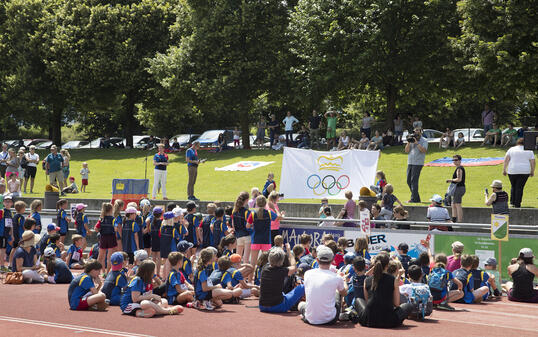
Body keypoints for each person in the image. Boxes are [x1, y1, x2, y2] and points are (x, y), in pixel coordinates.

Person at [355, 252, 413, 328]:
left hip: (368, 320)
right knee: (408, 305)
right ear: (387, 266)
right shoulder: (393, 280)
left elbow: (367, 300)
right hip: (389, 321)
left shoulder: (367, 280)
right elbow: (396, 304)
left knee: (358, 300)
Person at [298, 246, 347, 325]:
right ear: (332, 261)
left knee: (300, 305)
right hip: (330, 319)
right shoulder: (337, 278)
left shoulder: (307, 274)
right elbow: (344, 293)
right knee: (338, 291)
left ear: (317, 260)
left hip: (310, 318)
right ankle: (340, 312)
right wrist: (344, 280)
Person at [259, 246, 303, 313]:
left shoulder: (264, 268)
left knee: (281, 293)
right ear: (282, 261)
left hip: (262, 306)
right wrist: (289, 251)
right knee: (302, 287)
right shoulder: (281, 271)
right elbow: (294, 267)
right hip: (278, 306)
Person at [247, 195, 281, 268]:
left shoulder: (253, 213)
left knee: (252, 263)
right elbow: (279, 217)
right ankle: (264, 278)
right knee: (266, 263)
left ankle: (250, 279)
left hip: (255, 239)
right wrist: (274, 208)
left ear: (257, 203)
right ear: (265, 203)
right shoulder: (269, 213)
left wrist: (253, 227)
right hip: (266, 240)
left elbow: (247, 226)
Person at [503, 138, 535, 208]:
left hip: (512, 170)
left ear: (517, 142)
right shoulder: (529, 150)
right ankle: (517, 204)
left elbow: (506, 160)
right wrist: (532, 171)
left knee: (513, 186)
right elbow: (532, 162)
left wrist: (504, 169)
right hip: (524, 171)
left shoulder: (511, 149)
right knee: (520, 187)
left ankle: (512, 202)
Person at [405, 128, 428, 203]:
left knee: (414, 181)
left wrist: (416, 143)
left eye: (418, 131)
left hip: (418, 163)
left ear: (421, 132)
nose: (416, 132)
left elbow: (424, 150)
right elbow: (406, 151)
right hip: (410, 162)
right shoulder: (411, 139)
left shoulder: (424, 140)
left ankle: (414, 199)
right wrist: (409, 142)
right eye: (415, 131)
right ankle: (416, 198)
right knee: (408, 181)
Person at [95, 202, 119, 273]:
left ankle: (98, 271)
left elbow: (96, 229)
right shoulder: (113, 219)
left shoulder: (101, 219)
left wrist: (101, 229)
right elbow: (116, 229)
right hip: (111, 237)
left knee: (100, 256)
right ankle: (107, 272)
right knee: (109, 256)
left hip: (103, 237)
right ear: (111, 210)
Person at [232, 192, 252, 263]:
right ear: (246, 200)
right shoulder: (247, 212)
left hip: (238, 236)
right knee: (246, 259)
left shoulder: (234, 211)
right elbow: (250, 224)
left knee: (237, 258)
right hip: (247, 236)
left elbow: (233, 225)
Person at [446, 154, 465, 222]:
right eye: (453, 160)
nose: (454, 161)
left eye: (456, 160)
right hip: (459, 188)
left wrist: (450, 180)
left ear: (460, 161)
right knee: (453, 204)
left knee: (457, 204)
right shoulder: (459, 168)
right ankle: (454, 219)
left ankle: (459, 221)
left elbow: (459, 179)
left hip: (459, 188)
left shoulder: (459, 168)